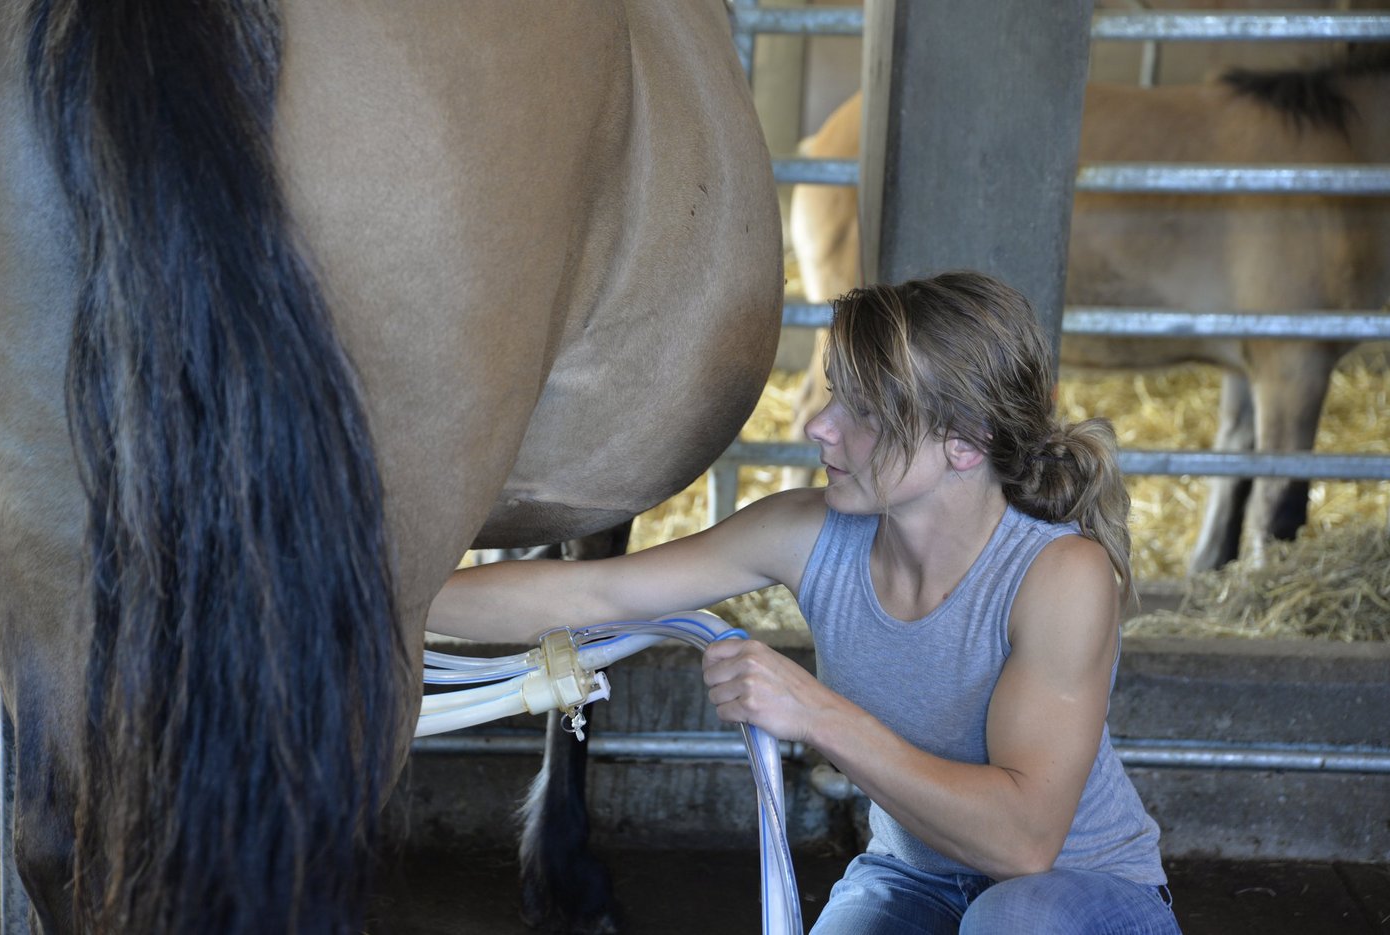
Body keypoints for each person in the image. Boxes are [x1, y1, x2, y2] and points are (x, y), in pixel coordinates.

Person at [430, 270, 1181, 934]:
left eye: (863, 410)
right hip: (913, 877)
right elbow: (592, 591)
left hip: (1080, 894)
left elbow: (1022, 842)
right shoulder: (812, 530)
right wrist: (378, 600)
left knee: (1011, 919)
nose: (821, 427)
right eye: (832, 394)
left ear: (965, 441)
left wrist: (814, 712)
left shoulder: (1059, 575)